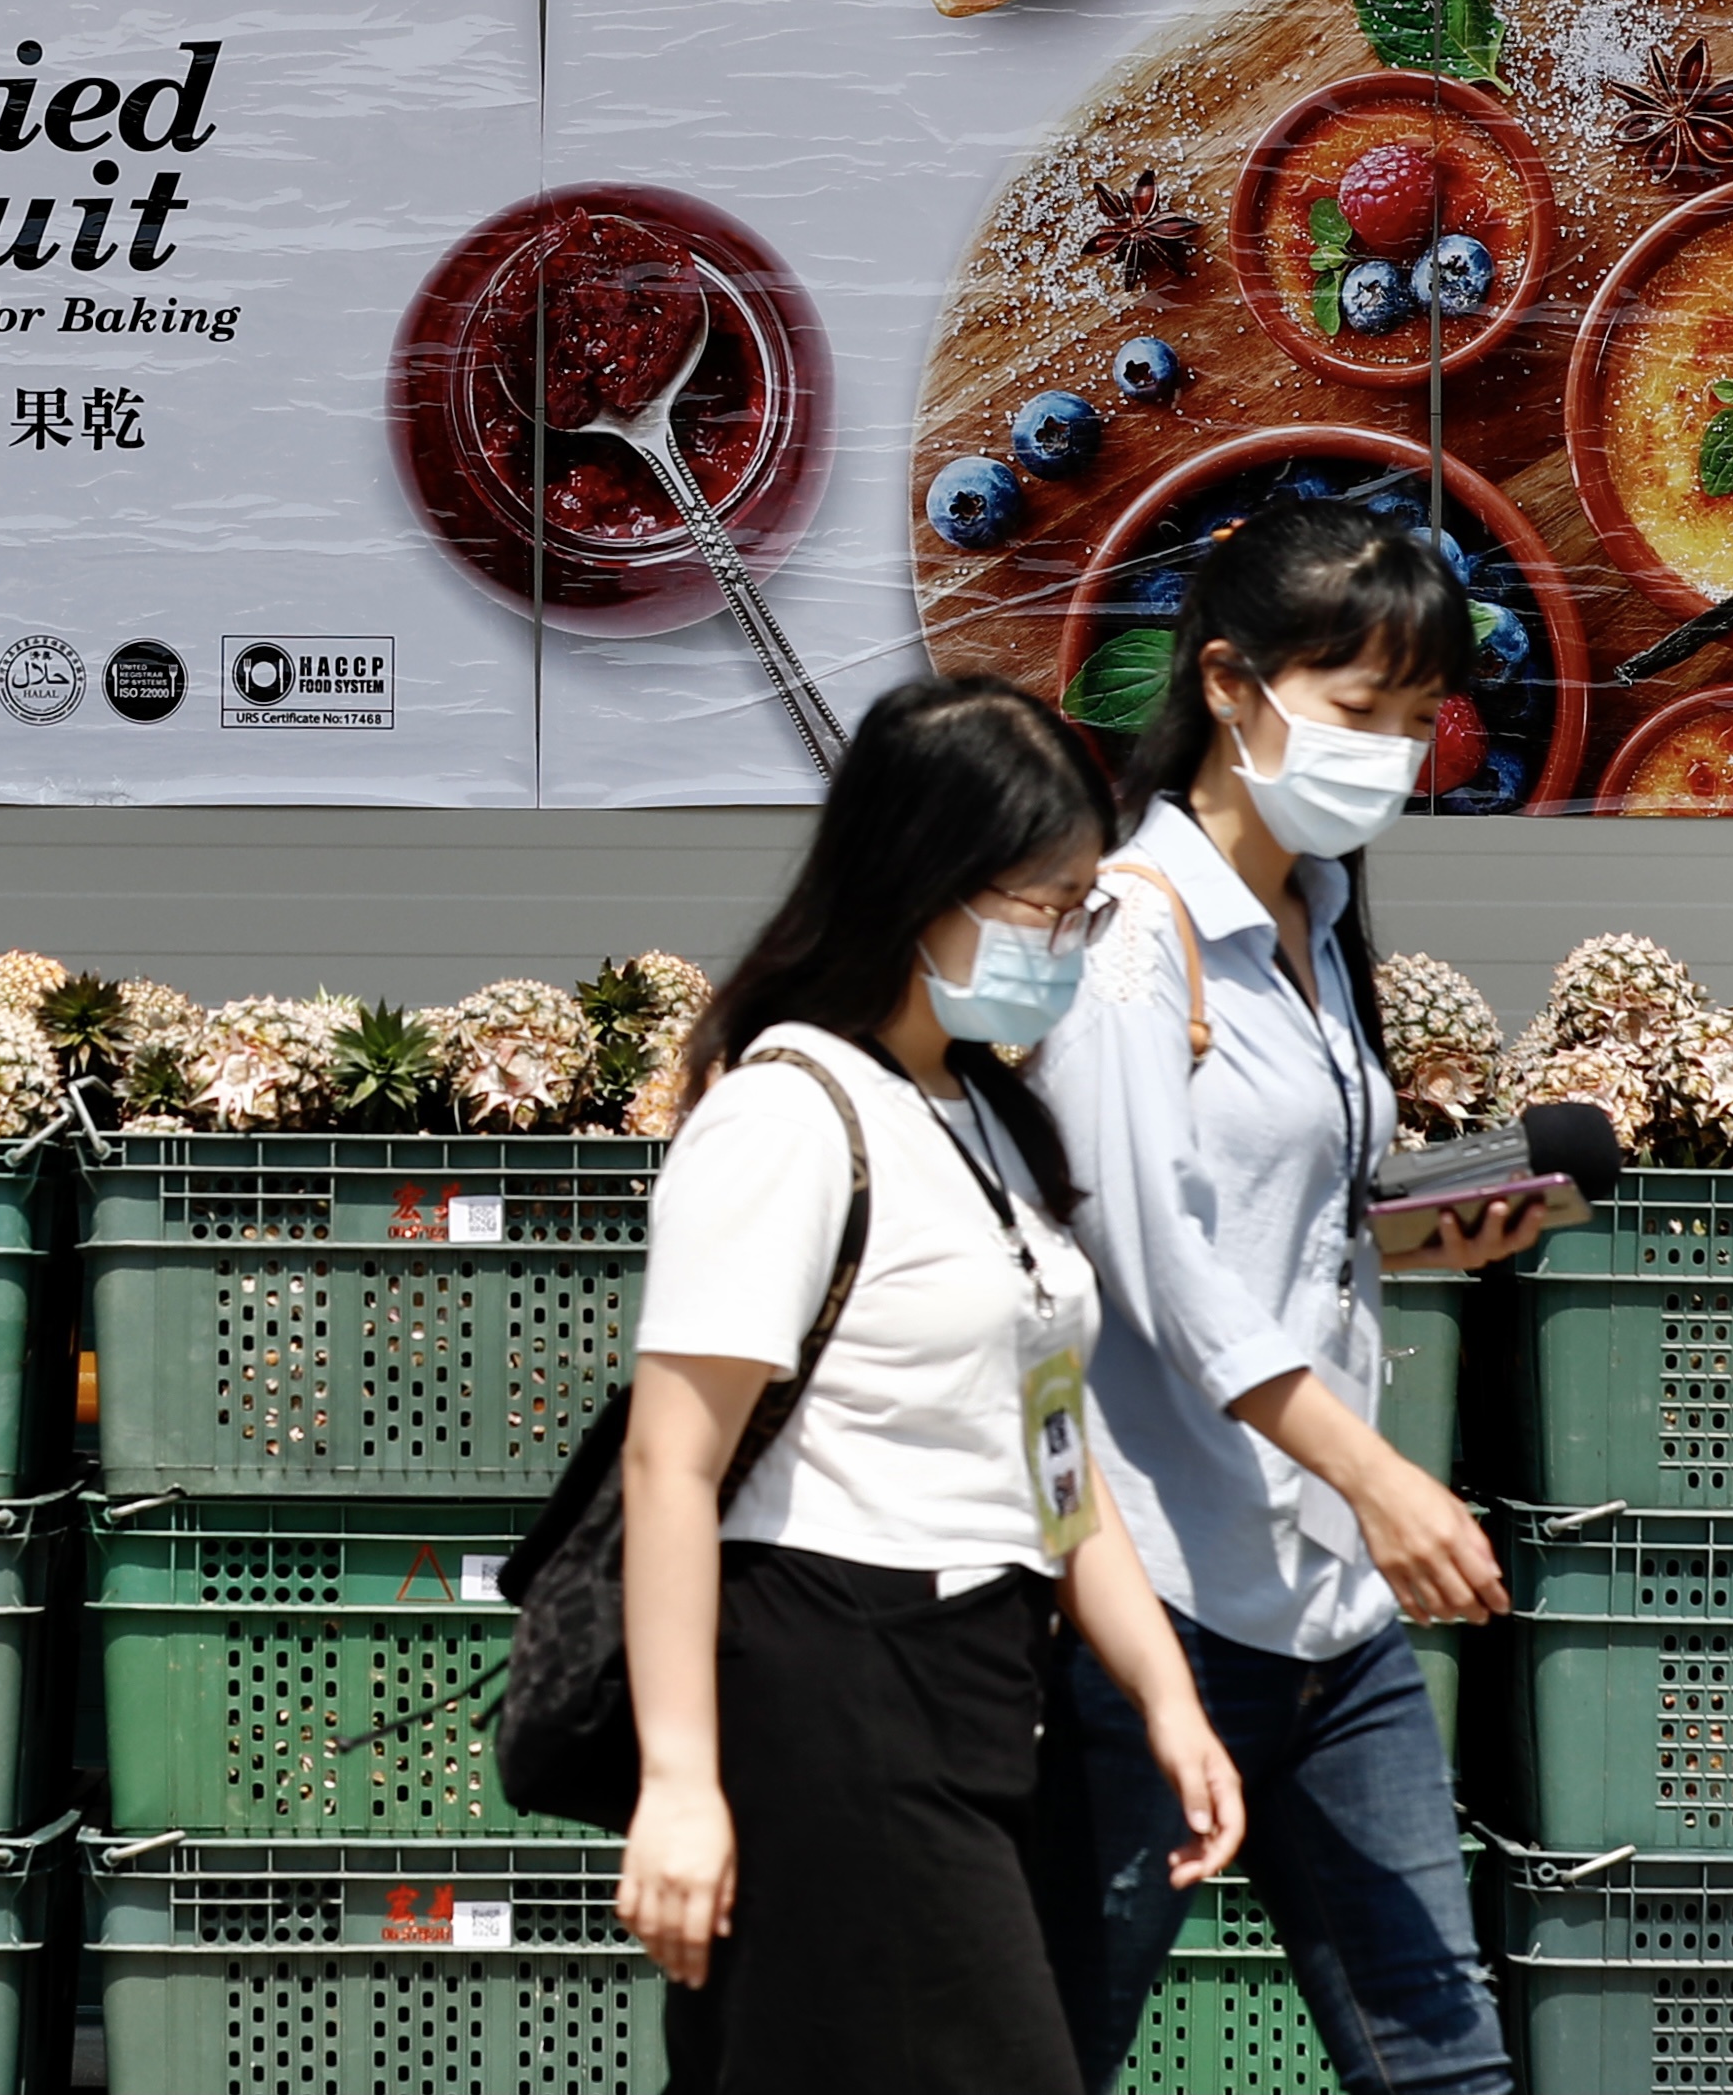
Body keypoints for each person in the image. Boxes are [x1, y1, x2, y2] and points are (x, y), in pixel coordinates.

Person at [617, 674, 1244, 2095]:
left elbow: (1056, 1456)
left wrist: (1166, 1697)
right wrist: (679, 1782)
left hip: (978, 1681)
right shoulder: (786, 1113)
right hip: (837, 1675)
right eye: (1047, 903)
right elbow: (673, 1465)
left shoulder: (976, 1114)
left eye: (1086, 904)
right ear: (924, 880)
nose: (1072, 941)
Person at [1032, 496, 1547, 2095]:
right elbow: (1168, 1276)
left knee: (1444, 2063)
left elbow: (1281, 1224)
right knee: (1047, 2049)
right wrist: (1378, 1471)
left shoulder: (1317, 930)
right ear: (1231, 686)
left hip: (1328, 1616)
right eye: (1357, 713)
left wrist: (1433, 1227)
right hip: (1155, 1604)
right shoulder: (1125, 939)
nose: (1391, 758)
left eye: (1415, 721)